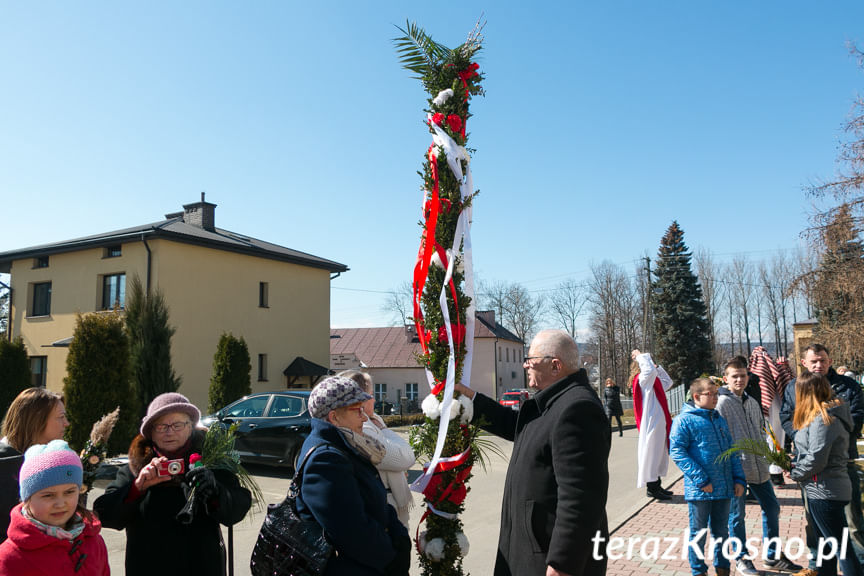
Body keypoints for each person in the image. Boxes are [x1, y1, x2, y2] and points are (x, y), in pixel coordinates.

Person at [455, 329, 610, 576]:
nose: (525, 365)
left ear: (555, 366)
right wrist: (472, 400)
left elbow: (581, 497)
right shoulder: (555, 401)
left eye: (531, 360)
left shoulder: (577, 408)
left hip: (548, 557)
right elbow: (518, 427)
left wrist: (563, 563)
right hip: (533, 547)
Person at [94, 392, 251, 576]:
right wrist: (137, 488)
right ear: (150, 432)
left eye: (177, 425)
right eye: (161, 426)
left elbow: (236, 511)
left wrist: (215, 491)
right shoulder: (136, 467)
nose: (169, 432)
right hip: (148, 566)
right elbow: (104, 513)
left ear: (191, 427)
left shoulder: (211, 461)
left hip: (202, 566)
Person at [295, 376, 411, 576]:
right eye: (357, 410)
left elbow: (376, 501)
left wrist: (399, 535)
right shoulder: (325, 460)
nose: (364, 417)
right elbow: (352, 532)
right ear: (334, 417)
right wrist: (391, 559)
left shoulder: (347, 445)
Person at [780, 343, 864, 574]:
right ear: (804, 363)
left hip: (834, 467)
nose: (819, 365)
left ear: (829, 361)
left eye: (823, 360)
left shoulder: (847, 387)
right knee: (818, 525)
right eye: (814, 361)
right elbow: (787, 417)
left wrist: (819, 437)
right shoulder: (794, 387)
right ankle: (818, 567)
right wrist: (803, 436)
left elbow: (855, 418)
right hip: (813, 472)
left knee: (850, 525)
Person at [715, 357, 801, 574]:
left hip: (759, 468)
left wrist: (777, 459)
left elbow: (764, 433)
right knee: (737, 517)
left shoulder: (752, 402)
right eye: (734, 376)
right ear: (726, 378)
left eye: (743, 375)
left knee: (772, 508)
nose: (739, 380)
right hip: (736, 471)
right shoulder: (721, 403)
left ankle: (772, 556)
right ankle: (741, 558)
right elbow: (718, 438)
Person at [670, 378, 746, 576]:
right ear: (697, 396)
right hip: (700, 489)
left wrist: (738, 479)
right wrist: (701, 479)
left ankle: (722, 569)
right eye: (710, 394)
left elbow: (731, 450)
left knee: (721, 532)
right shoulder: (684, 420)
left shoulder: (718, 418)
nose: (715, 398)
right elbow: (677, 451)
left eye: (716, 394)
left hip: (724, 487)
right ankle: (698, 571)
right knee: (698, 533)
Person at [0, 439, 108, 575]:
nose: (60, 503)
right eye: (48, 495)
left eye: (69, 492)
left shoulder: (94, 542)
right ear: (28, 498)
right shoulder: (9, 558)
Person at [337, 370, 415, 527]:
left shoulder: (373, 420)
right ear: (360, 400)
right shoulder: (362, 428)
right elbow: (406, 457)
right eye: (371, 394)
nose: (374, 399)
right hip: (386, 505)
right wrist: (385, 430)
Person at [0, 387, 69, 543]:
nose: (66, 423)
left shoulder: (46, 461)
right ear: (36, 421)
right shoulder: (5, 464)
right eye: (61, 417)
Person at [631, 349, 674, 500]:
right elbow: (648, 371)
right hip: (651, 422)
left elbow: (668, 382)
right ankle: (652, 488)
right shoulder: (643, 380)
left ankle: (657, 485)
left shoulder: (653, 382)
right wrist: (640, 356)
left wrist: (657, 368)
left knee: (658, 454)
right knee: (652, 455)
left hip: (658, 422)